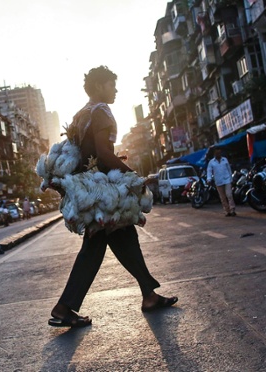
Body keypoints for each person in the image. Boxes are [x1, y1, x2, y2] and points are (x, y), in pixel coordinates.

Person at [49, 66, 177, 328]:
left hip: (89, 186)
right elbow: (103, 153)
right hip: (102, 190)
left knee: (123, 237)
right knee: (95, 248)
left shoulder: (81, 114)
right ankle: (64, 307)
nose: (115, 90)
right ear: (99, 87)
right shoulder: (101, 113)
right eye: (111, 85)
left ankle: (148, 294)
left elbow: (85, 154)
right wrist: (134, 177)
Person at [207, 148, 236, 216]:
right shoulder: (211, 162)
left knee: (229, 195)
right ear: (214, 154)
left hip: (227, 180)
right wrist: (209, 179)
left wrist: (231, 179)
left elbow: (229, 169)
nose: (218, 154)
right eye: (217, 153)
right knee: (222, 197)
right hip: (218, 181)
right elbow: (209, 171)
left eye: (219, 153)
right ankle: (227, 211)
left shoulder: (225, 160)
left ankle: (232, 209)